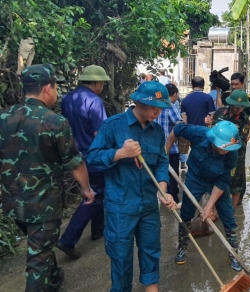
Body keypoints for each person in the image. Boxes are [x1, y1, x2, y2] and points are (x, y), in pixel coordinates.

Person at [0, 64, 95, 292]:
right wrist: (87, 189)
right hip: (43, 204)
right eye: (55, 87)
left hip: (12, 201)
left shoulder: (4, 116)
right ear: (47, 88)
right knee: (38, 260)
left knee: (40, 248)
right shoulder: (54, 121)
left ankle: (53, 278)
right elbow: (74, 162)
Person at [86, 81, 177, 292]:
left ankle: (151, 287)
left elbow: (162, 162)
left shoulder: (156, 131)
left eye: (160, 108)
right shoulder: (113, 126)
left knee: (151, 249)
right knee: (120, 255)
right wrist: (120, 153)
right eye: (154, 107)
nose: (157, 112)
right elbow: (92, 158)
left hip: (148, 205)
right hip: (121, 206)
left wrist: (162, 189)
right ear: (137, 102)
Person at [165, 121, 243, 272]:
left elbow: (223, 181)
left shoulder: (232, 153)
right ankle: (182, 248)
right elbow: (178, 129)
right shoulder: (198, 133)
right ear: (214, 140)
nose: (227, 150)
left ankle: (234, 253)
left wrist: (208, 207)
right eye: (224, 146)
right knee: (186, 214)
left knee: (228, 217)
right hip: (195, 178)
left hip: (217, 182)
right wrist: (165, 150)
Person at [56, 65, 111, 259]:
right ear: (96, 82)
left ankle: (98, 230)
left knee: (97, 192)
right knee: (93, 197)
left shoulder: (67, 98)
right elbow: (100, 134)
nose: (103, 87)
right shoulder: (94, 101)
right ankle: (68, 239)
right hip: (92, 155)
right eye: (102, 83)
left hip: (74, 154)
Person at [205, 90, 250, 208]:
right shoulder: (219, 113)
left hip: (236, 155)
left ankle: (232, 212)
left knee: (235, 184)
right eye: (236, 106)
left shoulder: (244, 119)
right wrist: (208, 123)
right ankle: (214, 210)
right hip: (218, 154)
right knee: (216, 181)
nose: (238, 110)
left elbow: (240, 139)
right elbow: (213, 131)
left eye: (241, 107)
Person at [154, 83, 184, 205]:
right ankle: (172, 200)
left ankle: (164, 197)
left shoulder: (154, 105)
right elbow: (179, 125)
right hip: (170, 150)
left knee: (159, 174)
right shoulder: (169, 106)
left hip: (156, 149)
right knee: (172, 178)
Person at [227, 73, 250, 141]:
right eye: (232, 84)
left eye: (236, 84)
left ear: (242, 84)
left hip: (241, 131)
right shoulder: (226, 96)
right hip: (227, 131)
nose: (234, 87)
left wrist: (248, 131)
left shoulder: (248, 98)